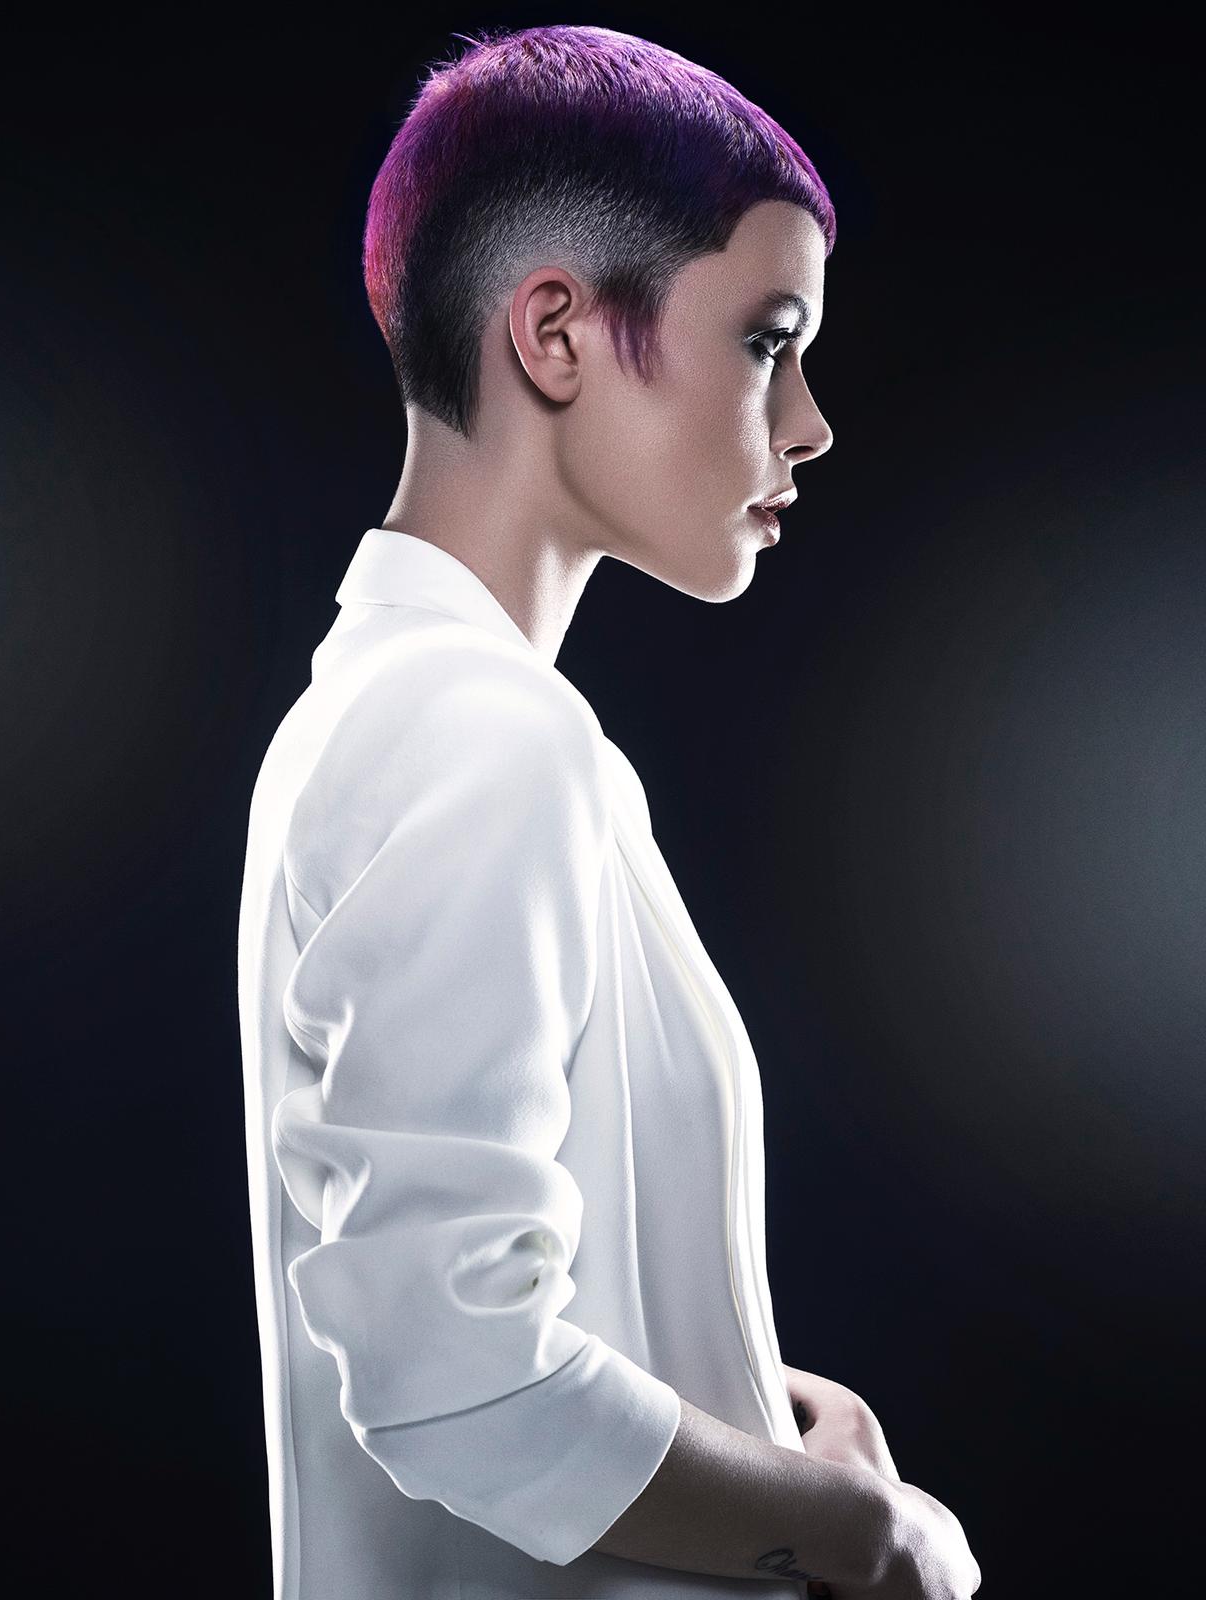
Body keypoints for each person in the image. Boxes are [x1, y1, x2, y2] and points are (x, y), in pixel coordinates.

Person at [236, 23, 981, 1600]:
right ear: (558, 334)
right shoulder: (477, 734)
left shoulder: (391, 713)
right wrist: (869, 1532)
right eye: (768, 341)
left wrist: (753, 1405)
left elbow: (485, 1308)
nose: (808, 423)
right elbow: (459, 1379)